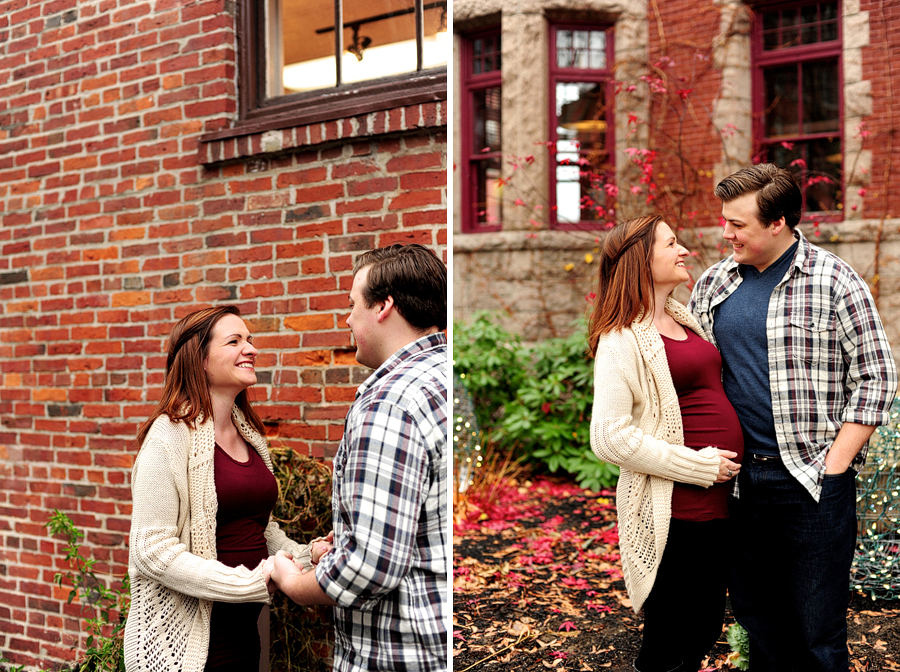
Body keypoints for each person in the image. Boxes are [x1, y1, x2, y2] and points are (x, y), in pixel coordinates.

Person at [689, 163, 898, 671]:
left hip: (811, 481)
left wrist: (836, 464)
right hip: (736, 484)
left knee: (816, 629)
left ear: (778, 221)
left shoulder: (834, 281)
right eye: (725, 221)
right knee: (758, 620)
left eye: (738, 224)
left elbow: (877, 377)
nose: (726, 233)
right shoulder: (715, 284)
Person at [269, 243, 448, 672]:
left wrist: (293, 583)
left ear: (384, 305)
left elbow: (372, 567)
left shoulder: (390, 401)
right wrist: (346, 542)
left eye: (352, 305)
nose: (347, 319)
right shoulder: (443, 374)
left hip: (398, 655)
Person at [124, 305, 331, 672]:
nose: (250, 349)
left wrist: (307, 556)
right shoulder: (168, 435)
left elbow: (259, 530)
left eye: (249, 340)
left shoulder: (249, 433)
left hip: (245, 638)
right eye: (234, 341)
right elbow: (151, 550)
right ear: (199, 359)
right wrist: (248, 581)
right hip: (188, 648)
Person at [589, 215, 743, 672]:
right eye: (671, 244)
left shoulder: (684, 318)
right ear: (642, 258)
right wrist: (697, 466)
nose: (684, 251)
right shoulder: (621, 339)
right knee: (669, 640)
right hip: (673, 509)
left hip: (718, 502)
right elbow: (609, 437)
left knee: (705, 626)